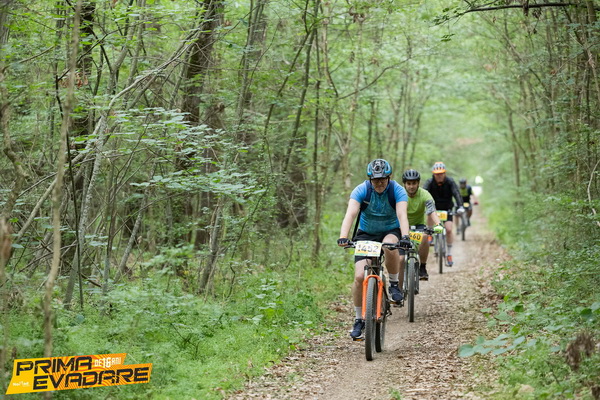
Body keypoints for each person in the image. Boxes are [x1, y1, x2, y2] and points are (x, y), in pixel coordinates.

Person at [337, 159, 411, 339]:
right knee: (359, 277)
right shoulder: (361, 190)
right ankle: (359, 319)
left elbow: (402, 214)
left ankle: (394, 284)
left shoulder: (397, 191)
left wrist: (405, 237)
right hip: (366, 234)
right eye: (376, 179)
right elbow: (351, 213)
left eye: (383, 179)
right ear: (370, 179)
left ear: (389, 178)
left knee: (388, 245)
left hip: (390, 230)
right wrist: (343, 236)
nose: (379, 183)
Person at [401, 169, 444, 281]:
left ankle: (423, 267)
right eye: (409, 183)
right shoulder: (400, 194)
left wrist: (438, 224)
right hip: (401, 225)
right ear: (404, 184)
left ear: (418, 183)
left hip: (418, 225)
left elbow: (431, 211)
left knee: (425, 236)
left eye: (414, 183)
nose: (411, 186)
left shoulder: (425, 194)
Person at [423, 162, 464, 267]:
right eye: (437, 174)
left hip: (447, 208)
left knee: (449, 229)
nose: (439, 176)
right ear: (433, 174)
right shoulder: (429, 182)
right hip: (434, 208)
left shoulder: (450, 182)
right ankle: (430, 234)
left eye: (441, 173)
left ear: (445, 173)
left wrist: (460, 206)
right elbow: (423, 193)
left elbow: (456, 193)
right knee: (429, 212)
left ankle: (449, 254)